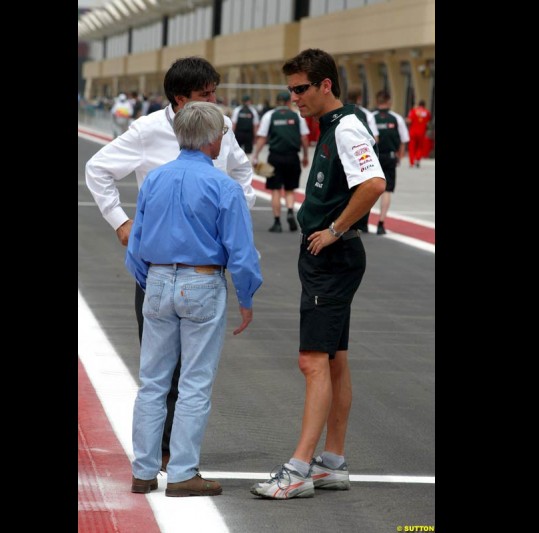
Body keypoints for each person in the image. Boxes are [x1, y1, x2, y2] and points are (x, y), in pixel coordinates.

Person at [85, 56, 255, 475]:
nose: (215, 103)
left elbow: (243, 174)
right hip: (172, 270)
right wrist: (120, 223)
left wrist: (231, 215)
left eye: (215, 94)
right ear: (180, 100)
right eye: (205, 96)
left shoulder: (222, 128)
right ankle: (172, 461)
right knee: (173, 372)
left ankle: (154, 463)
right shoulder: (147, 131)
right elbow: (98, 169)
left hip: (174, 267)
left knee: (167, 374)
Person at [250, 48, 385, 500]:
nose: (294, 98)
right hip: (329, 256)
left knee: (311, 362)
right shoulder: (330, 127)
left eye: (301, 89)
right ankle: (333, 461)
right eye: (290, 90)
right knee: (334, 361)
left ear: (326, 84)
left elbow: (374, 184)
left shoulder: (346, 127)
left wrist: (333, 229)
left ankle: (298, 469)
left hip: (332, 256)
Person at [125, 101, 263, 497]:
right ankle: (183, 471)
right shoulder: (224, 186)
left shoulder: (155, 179)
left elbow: (135, 244)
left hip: (156, 278)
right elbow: (241, 250)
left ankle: (144, 470)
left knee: (152, 381)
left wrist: (150, 279)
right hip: (201, 282)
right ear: (211, 139)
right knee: (194, 382)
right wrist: (247, 296)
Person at [250, 91, 309, 233]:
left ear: (277, 102)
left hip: (275, 157)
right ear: (289, 102)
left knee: (275, 189)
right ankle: (289, 211)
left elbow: (262, 138)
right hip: (292, 156)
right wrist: (305, 156)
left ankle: (277, 222)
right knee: (289, 189)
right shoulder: (297, 116)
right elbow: (304, 138)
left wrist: (255, 155)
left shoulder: (269, 116)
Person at [372, 89, 410, 235]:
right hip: (390, 157)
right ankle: (381, 223)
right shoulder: (397, 118)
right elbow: (403, 140)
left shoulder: (371, 117)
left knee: (366, 188)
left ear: (377, 101)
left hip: (372, 157)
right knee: (386, 190)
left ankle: (362, 221)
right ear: (389, 102)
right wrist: (399, 157)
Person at [405, 99, 431, 168]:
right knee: (420, 147)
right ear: (424, 105)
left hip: (413, 132)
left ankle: (412, 162)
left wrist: (406, 120)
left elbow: (409, 121)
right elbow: (428, 123)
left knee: (411, 147)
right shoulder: (427, 112)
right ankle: (418, 159)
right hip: (422, 132)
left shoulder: (413, 111)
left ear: (418, 104)